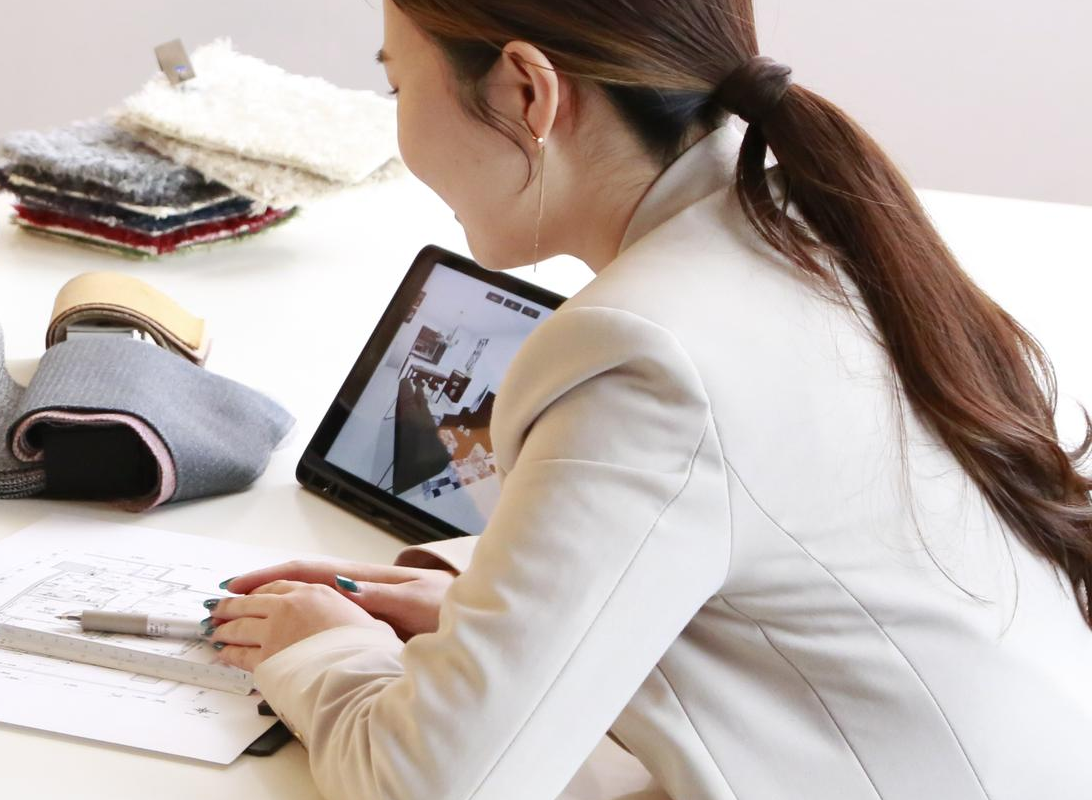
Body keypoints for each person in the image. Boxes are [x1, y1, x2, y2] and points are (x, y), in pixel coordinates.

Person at [203, 1, 1092, 797]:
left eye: (398, 86)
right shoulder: (809, 225)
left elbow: (436, 786)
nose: (400, 129)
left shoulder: (641, 355)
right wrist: (480, 609)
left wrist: (323, 650)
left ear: (526, 91)